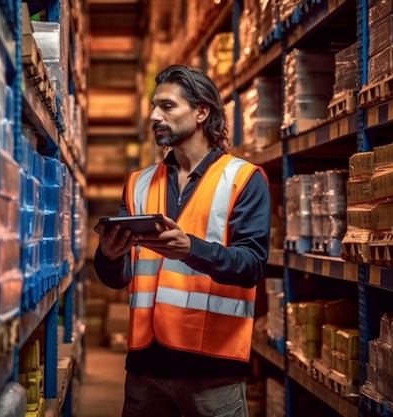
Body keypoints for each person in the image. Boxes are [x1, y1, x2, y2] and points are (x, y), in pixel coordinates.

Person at [93, 64, 271, 417]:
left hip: (211, 369)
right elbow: (119, 277)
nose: (155, 116)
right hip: (146, 368)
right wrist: (109, 256)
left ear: (202, 112)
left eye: (168, 106)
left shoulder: (243, 179)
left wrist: (191, 250)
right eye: (154, 107)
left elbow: (251, 265)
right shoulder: (138, 183)